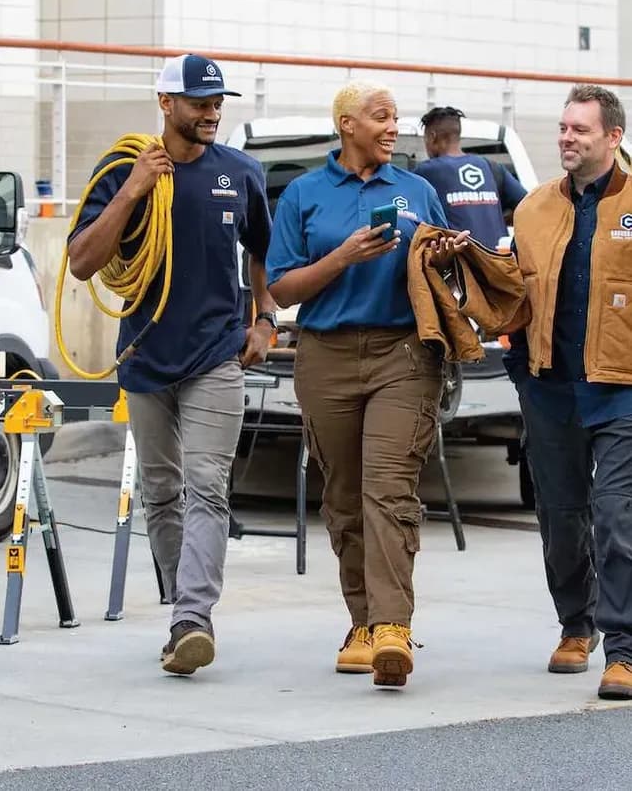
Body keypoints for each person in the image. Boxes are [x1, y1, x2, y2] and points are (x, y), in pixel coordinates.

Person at [67, 54, 275, 675]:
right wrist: (134, 188)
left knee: (207, 486)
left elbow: (263, 252)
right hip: (146, 355)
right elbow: (81, 263)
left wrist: (264, 320)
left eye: (217, 102)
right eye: (198, 102)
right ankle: (180, 609)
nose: (212, 112)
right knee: (161, 494)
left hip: (216, 356)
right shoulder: (123, 171)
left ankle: (192, 617)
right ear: (166, 104)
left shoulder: (240, 173)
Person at [266, 79, 463, 689]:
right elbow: (281, 289)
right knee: (344, 497)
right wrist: (341, 259)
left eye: (397, 118)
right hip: (325, 354)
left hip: (402, 353)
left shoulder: (417, 190)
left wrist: (448, 256)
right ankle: (362, 623)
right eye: (380, 117)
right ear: (346, 124)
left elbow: (447, 270)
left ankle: (393, 627)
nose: (393, 127)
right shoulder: (303, 194)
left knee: (389, 488)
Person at [504, 84, 632, 700]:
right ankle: (575, 625)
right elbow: (510, 293)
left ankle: (625, 649)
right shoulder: (532, 209)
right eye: (562, 127)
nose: (566, 138)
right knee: (560, 518)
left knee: (616, 518)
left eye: (579, 129)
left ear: (613, 137)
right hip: (549, 385)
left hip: (622, 388)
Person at [415, 106, 527, 249]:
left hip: (460, 265)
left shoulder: (427, 171)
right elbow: (529, 205)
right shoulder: (492, 167)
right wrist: (496, 218)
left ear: (432, 136)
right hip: (498, 263)